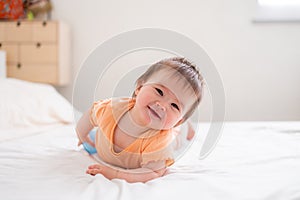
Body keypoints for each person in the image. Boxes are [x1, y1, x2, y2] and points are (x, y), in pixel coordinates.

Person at [76, 57, 204, 183]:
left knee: (177, 137)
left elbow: (153, 173)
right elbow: (91, 114)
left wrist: (114, 174)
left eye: (174, 105)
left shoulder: (160, 143)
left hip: (173, 133)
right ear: (139, 87)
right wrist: (82, 134)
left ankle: (186, 126)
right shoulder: (111, 110)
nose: (162, 106)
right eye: (159, 91)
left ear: (178, 120)